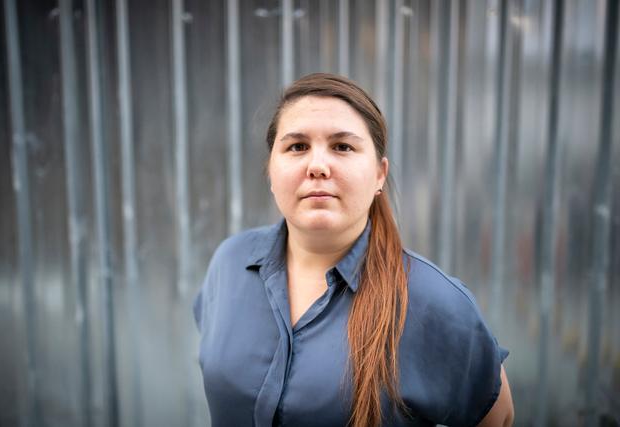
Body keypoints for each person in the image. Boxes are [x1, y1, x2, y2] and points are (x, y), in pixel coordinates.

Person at [193, 73, 514, 427]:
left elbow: (498, 418)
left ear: (379, 174)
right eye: (297, 146)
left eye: (342, 147)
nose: (317, 166)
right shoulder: (230, 263)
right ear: (271, 170)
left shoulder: (433, 301)